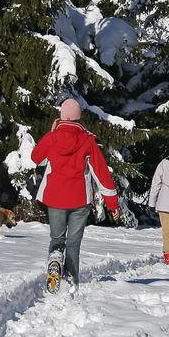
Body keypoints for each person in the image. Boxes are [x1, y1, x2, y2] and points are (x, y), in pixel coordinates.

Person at [31, 98, 120, 292]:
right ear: (79, 117)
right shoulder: (87, 141)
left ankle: (55, 260)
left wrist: (52, 133)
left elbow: (35, 157)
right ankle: (71, 280)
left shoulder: (52, 138)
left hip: (54, 198)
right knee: (73, 243)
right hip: (80, 200)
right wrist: (112, 203)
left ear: (62, 116)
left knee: (57, 239)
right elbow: (101, 174)